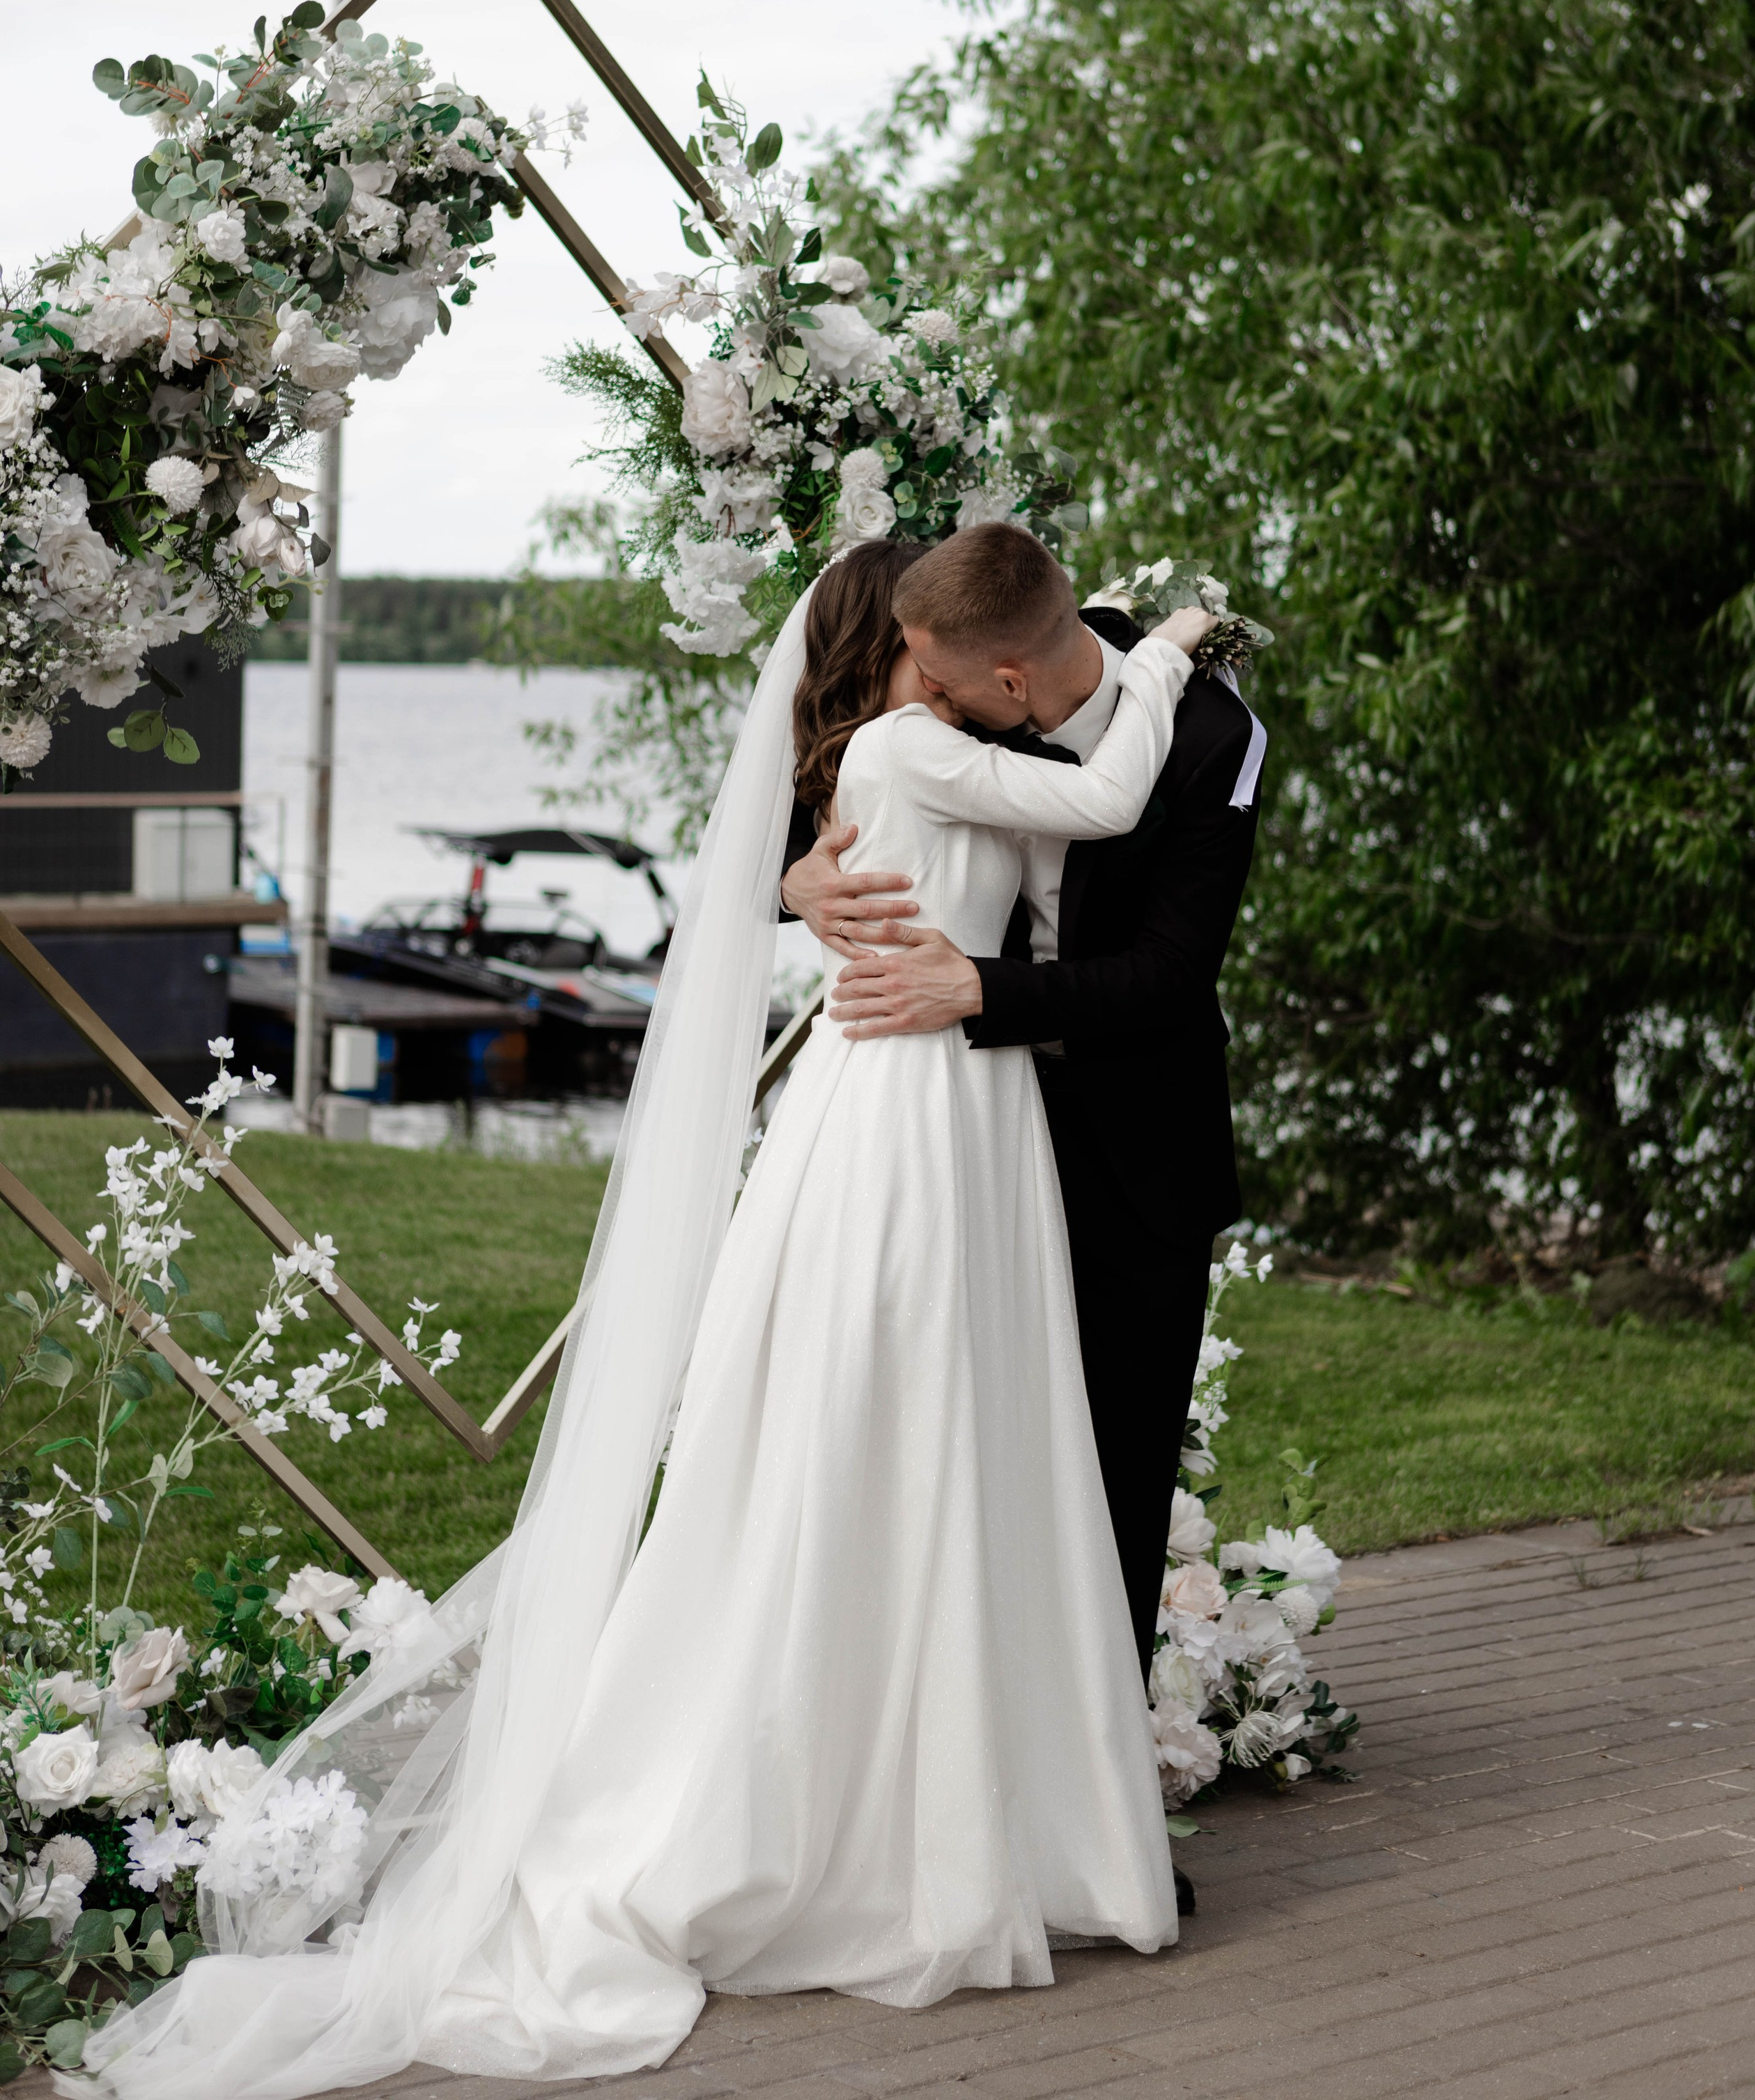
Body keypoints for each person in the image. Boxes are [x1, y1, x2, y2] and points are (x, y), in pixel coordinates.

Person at [74, 538, 1212, 2100]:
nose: (946, 674)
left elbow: (1055, 870)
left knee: (976, 1432)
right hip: (908, 1121)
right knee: (881, 1424)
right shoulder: (904, 750)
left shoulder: (928, 749)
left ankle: (974, 1791)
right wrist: (1160, 654)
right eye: (922, 652)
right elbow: (1075, 812)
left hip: (976, 1118)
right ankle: (855, 1807)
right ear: (901, 656)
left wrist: (865, 856)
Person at [781, 523, 1266, 1688]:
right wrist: (800, 876)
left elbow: (1168, 975)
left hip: (1133, 1147)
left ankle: (1101, 1822)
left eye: (936, 680)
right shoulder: (937, 721)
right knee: (951, 1457)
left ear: (1006, 679)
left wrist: (976, 989)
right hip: (960, 1133)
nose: (918, 697)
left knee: (1110, 1476)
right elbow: (827, 779)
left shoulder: (1210, 738)